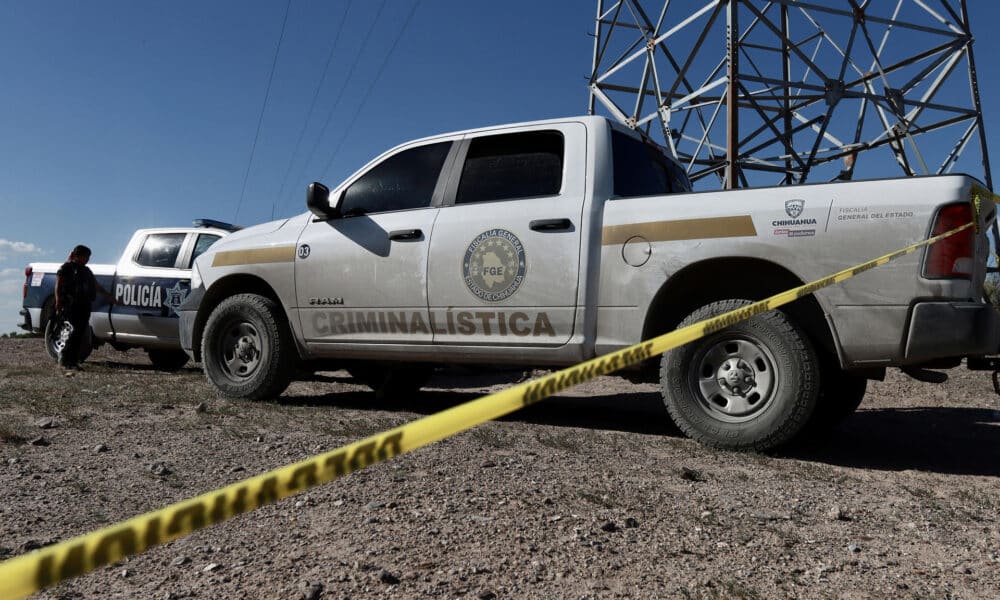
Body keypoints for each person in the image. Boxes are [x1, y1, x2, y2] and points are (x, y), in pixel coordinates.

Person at [54, 245, 114, 370]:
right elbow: (58, 284)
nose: (87, 259)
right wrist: (58, 300)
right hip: (70, 304)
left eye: (88, 257)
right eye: (85, 256)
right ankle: (64, 360)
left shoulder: (86, 271)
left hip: (84, 304)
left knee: (79, 333)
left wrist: (108, 296)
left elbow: (96, 286)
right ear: (77, 255)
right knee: (69, 332)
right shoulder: (66, 268)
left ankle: (74, 361)